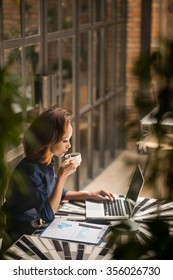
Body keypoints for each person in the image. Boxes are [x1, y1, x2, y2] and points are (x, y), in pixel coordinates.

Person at [2, 107, 114, 250]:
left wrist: (90, 194)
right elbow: (48, 214)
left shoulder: (46, 160)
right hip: (19, 238)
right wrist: (62, 175)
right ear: (50, 139)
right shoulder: (31, 171)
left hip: (35, 228)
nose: (69, 145)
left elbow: (57, 193)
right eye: (65, 140)